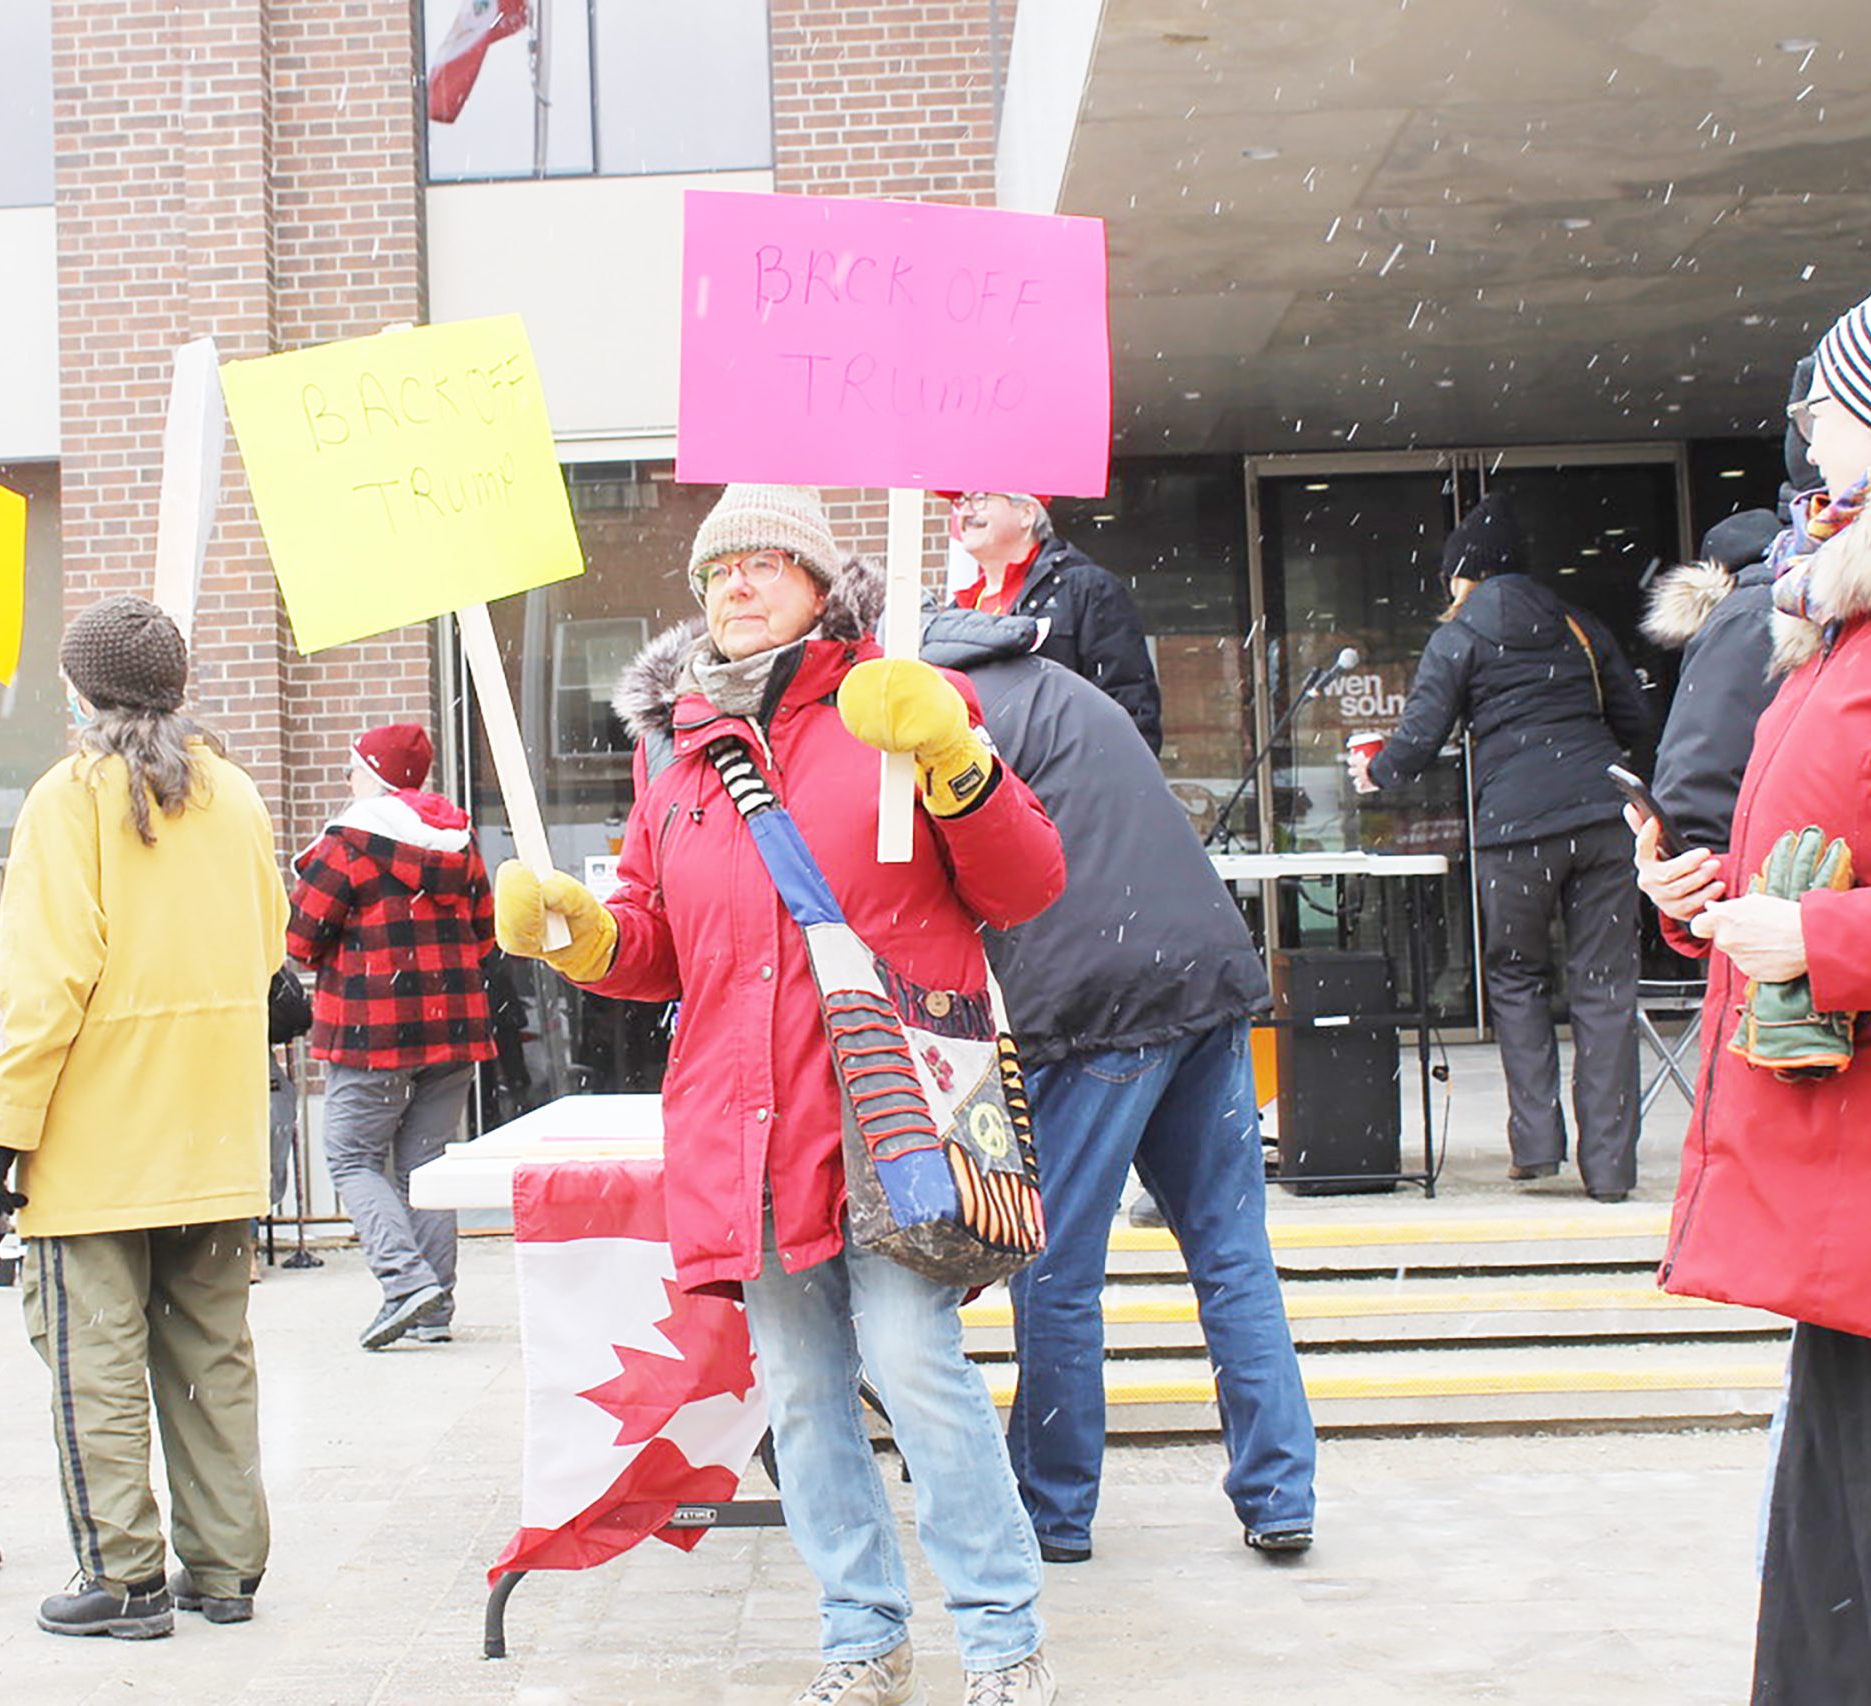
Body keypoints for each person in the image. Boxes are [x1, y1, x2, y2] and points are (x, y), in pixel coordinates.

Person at [496, 484, 1068, 1706]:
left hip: (892, 1113)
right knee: (802, 1393)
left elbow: (1024, 883)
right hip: (742, 1118)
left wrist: (954, 756)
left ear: (818, 585)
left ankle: (1002, 1637)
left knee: (916, 1363)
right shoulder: (677, 745)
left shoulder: (901, 695)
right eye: (717, 571)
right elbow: (665, 940)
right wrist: (588, 934)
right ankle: (860, 1633)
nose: (737, 585)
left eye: (764, 563)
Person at [1636, 235, 1871, 1704]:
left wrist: (1831, 943)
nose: (1804, 428)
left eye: (1830, 398)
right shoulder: (1870, 612)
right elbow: (1868, 846)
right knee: (1842, 1630)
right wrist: (1717, 901)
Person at [912, 588, 1317, 1567]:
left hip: (1092, 1004)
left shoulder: (932, 714)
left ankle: (1052, 1510)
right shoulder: (1060, 685)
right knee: (1230, 1252)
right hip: (1202, 977)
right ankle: (1280, 1492)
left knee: (1056, 1270)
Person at [0, 596, 286, 1640]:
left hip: (99, 1134)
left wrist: (2, 1125)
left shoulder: (70, 799)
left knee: (92, 1356)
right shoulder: (235, 792)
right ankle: (226, 1567)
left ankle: (120, 1575)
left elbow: (46, 982)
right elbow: (269, 951)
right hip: (215, 1125)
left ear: (78, 689)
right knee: (211, 1353)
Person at [1352, 493, 1652, 1200]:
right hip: (1604, 817)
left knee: (1517, 976)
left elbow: (1422, 733)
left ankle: (1537, 1145)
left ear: (1464, 574)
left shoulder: (1459, 633)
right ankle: (1611, 1170)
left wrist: (1377, 771)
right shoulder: (1577, 622)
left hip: (1516, 832)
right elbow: (1636, 715)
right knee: (1606, 990)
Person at [288, 720, 493, 1351]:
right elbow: (485, 936)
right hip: (454, 1028)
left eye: (354, 767)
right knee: (425, 1165)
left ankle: (405, 1284)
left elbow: (301, 939)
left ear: (371, 775)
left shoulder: (347, 841)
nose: (348, 779)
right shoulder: (459, 840)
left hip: (370, 1030)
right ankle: (434, 1309)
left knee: (350, 1156)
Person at [946, 490, 1162, 751]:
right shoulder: (956, 612)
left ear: (1027, 513)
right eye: (961, 501)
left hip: (1059, 785)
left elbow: (1128, 702)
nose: (966, 512)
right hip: (981, 785)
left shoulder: (1086, 588)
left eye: (980, 499)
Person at [1641, 510, 1787, 856]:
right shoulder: (1775, 608)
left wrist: (1692, 864)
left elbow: (1697, 782)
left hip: (1757, 864)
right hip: (1787, 859)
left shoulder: (1744, 617)